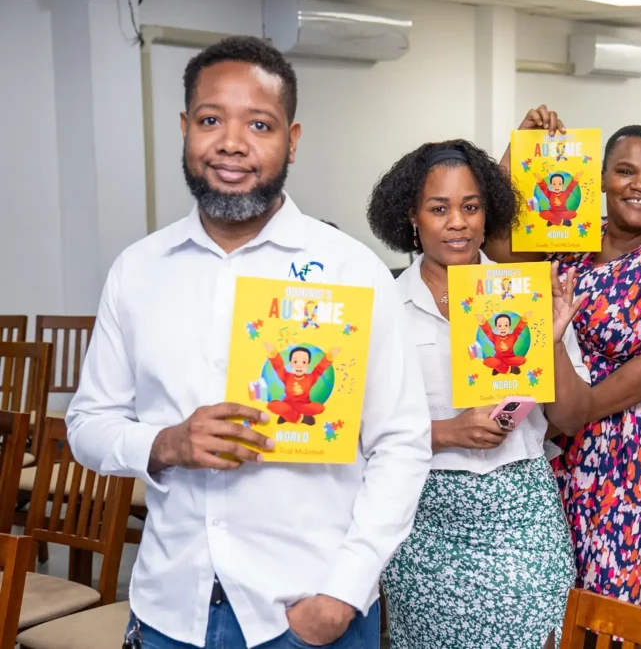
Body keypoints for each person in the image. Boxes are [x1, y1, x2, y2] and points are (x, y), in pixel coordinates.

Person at [65, 36, 433, 649]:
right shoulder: (138, 270)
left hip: (306, 614)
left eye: (259, 124)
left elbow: (401, 442)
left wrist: (342, 594)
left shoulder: (350, 270)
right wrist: (165, 443)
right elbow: (87, 424)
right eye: (210, 120)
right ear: (185, 128)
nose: (232, 143)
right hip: (169, 610)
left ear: (292, 139)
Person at [486, 106, 641, 615]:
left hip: (638, 444)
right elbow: (497, 247)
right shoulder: (574, 237)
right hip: (566, 438)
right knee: (569, 588)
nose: (639, 185)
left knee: (624, 596)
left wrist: (575, 412)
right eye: (625, 171)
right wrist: (517, 152)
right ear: (600, 178)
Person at [367, 139, 593, 648]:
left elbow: (573, 418)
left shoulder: (528, 295)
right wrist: (448, 432)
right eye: (438, 209)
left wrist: (552, 343)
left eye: (470, 207)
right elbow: (360, 432)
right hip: (422, 523)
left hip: (523, 520)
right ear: (411, 217)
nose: (458, 223)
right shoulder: (384, 306)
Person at [263, 343, 340, 424]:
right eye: (295, 361)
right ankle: (301, 419)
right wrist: (273, 353)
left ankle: (288, 416)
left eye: (303, 362)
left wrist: (329, 356)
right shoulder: (287, 376)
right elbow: (279, 367)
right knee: (273, 405)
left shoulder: (311, 377)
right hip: (288, 404)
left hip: (303, 406)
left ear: (308, 364)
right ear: (291, 363)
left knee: (319, 408)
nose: (299, 365)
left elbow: (320, 368)